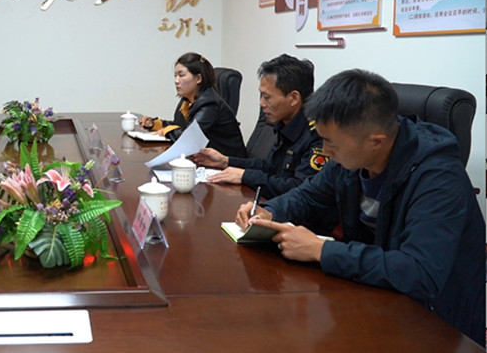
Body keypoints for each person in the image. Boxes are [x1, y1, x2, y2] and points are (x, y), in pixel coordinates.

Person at [236, 69, 485, 345]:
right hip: (375, 297)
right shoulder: (351, 158)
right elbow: (309, 194)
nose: (325, 152)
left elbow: (420, 273)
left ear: (376, 142)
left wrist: (322, 250)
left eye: (330, 143)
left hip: (436, 324)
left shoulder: (438, 179)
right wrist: (270, 210)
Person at [192, 54, 327, 198]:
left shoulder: (318, 135)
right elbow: (271, 166)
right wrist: (226, 161)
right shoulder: (285, 123)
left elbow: (300, 189)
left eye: (267, 97)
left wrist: (246, 176)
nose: (261, 103)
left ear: (293, 98)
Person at [139, 52, 247, 158]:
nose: (176, 81)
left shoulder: (209, 103)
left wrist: (166, 131)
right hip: (203, 159)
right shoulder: (188, 101)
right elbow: (180, 126)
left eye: (181, 75)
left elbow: (189, 137)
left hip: (227, 163)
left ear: (198, 78)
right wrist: (155, 124)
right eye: (175, 76)